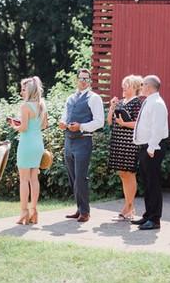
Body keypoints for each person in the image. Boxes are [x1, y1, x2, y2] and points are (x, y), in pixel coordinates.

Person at [59, 68, 105, 222]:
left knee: (80, 177)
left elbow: (100, 122)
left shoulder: (94, 98)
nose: (83, 81)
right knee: (72, 177)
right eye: (81, 78)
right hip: (68, 140)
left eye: (86, 78)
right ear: (76, 79)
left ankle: (85, 212)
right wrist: (63, 123)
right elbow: (65, 116)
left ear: (90, 81)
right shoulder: (70, 98)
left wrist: (81, 126)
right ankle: (79, 209)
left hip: (84, 140)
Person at [131, 75, 169, 230]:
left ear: (149, 86)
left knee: (153, 184)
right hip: (145, 147)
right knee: (147, 183)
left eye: (143, 84)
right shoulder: (149, 101)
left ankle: (154, 219)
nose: (141, 86)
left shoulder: (157, 103)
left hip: (153, 148)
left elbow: (158, 128)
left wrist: (151, 147)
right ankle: (148, 215)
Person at [9, 76, 47, 225]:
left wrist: (14, 126)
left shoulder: (25, 106)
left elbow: (24, 128)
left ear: (30, 90)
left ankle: (24, 212)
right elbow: (44, 125)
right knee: (34, 179)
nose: (21, 92)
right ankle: (34, 211)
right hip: (38, 144)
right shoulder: (42, 105)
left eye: (23, 89)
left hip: (26, 144)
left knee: (24, 180)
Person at [107, 75, 143, 220]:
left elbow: (138, 123)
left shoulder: (137, 103)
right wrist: (112, 107)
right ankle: (129, 207)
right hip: (118, 142)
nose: (123, 87)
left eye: (127, 85)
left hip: (129, 144)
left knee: (129, 173)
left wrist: (124, 124)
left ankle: (128, 207)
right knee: (122, 174)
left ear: (134, 87)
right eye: (123, 84)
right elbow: (109, 122)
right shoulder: (120, 102)